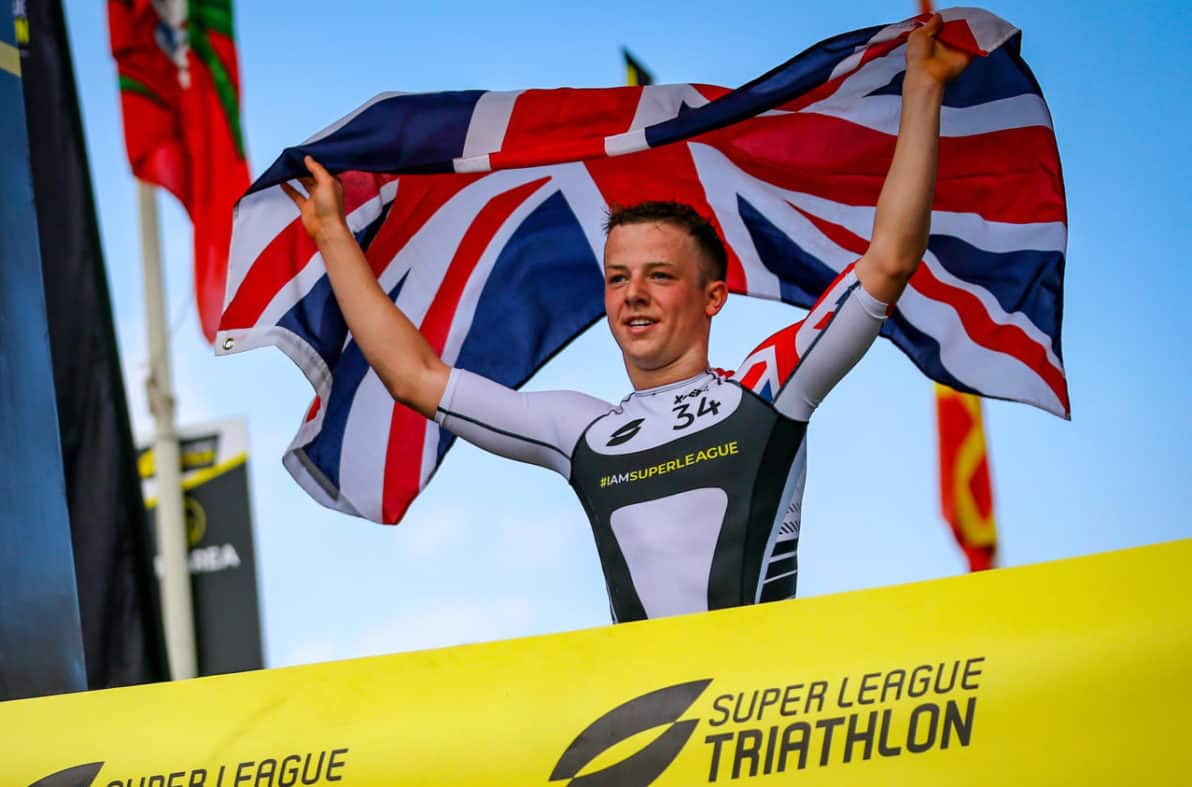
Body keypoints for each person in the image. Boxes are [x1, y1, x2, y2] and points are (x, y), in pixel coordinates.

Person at [282, 15, 971, 622]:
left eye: (659, 275)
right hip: (650, 739)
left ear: (713, 296)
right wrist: (333, 235)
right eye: (618, 277)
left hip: (760, 723)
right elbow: (415, 376)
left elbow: (886, 261)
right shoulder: (584, 430)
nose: (633, 294)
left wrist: (922, 90)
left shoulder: (768, 384)